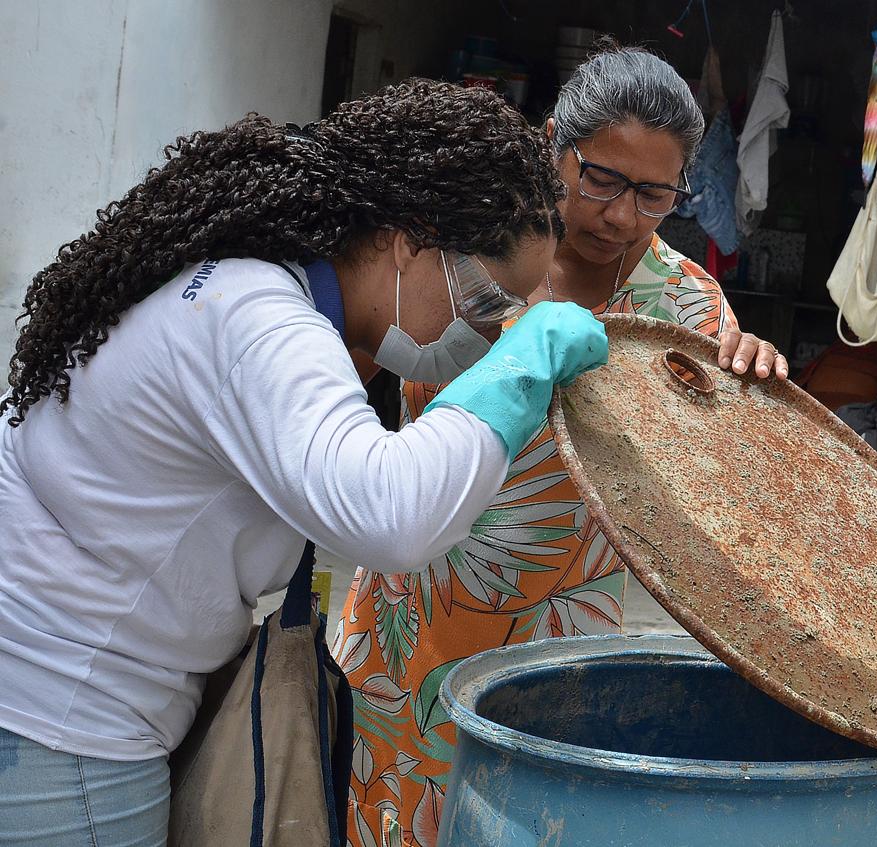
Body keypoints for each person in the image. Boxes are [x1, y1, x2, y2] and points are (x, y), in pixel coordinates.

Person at [0, 79, 606, 845]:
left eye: (510, 322)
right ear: (409, 239)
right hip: (63, 722)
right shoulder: (261, 321)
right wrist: (527, 360)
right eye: (489, 304)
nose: (488, 334)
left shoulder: (242, 280)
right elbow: (391, 514)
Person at [337, 45, 787, 847]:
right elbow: (345, 361)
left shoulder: (684, 307)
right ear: (554, 143)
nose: (621, 214)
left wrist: (756, 392)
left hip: (554, 656)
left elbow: (719, 496)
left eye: (654, 193)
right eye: (602, 179)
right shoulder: (461, 255)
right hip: (411, 624)